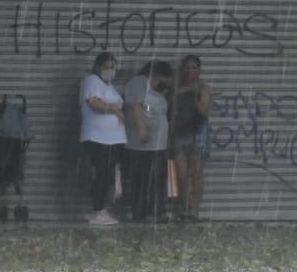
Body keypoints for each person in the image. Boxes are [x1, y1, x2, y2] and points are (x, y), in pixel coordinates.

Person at [123, 59, 175, 223]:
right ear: (158, 75)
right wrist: (142, 128)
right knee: (140, 178)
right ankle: (138, 212)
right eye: (164, 80)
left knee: (156, 179)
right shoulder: (139, 82)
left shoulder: (157, 91)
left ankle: (154, 211)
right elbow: (135, 106)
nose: (165, 84)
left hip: (157, 145)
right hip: (141, 144)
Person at [79, 52, 127, 226]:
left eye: (113, 67)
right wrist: (115, 110)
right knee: (102, 175)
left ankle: (102, 209)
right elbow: (94, 103)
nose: (110, 71)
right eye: (107, 67)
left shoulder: (109, 86)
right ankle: (98, 210)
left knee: (108, 175)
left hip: (111, 140)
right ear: (98, 67)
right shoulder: (92, 80)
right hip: (99, 138)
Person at [171, 54, 212, 222]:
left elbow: (205, 112)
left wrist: (194, 95)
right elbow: (171, 110)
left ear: (199, 70)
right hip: (180, 133)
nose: (190, 71)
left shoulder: (203, 88)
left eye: (194, 67)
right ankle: (184, 208)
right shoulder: (177, 87)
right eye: (187, 68)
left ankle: (194, 211)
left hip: (198, 132)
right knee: (181, 174)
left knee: (196, 173)